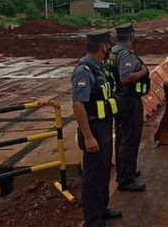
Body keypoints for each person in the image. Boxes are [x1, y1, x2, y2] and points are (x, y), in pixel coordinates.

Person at [72, 30, 122, 227]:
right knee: (93, 176)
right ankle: (92, 220)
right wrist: (88, 136)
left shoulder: (99, 68)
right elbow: (78, 105)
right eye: (108, 45)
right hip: (93, 129)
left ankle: (102, 210)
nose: (109, 49)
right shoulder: (83, 71)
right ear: (103, 47)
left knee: (103, 171)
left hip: (103, 127)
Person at [108, 23, 149, 192]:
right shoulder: (124, 53)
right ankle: (126, 179)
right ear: (131, 37)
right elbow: (125, 78)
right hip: (128, 100)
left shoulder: (114, 51)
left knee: (122, 137)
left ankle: (125, 170)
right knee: (130, 138)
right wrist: (144, 72)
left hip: (119, 99)